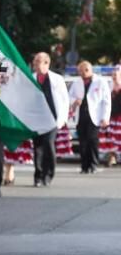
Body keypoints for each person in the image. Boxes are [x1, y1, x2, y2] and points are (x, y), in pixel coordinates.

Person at [31, 52, 70, 186]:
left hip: (52, 119)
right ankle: (38, 176)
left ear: (46, 63)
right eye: (34, 62)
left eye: (38, 62)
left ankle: (48, 174)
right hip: (37, 119)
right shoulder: (31, 78)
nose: (35, 65)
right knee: (37, 148)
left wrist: (63, 118)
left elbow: (65, 99)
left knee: (48, 145)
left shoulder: (57, 79)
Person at [69, 60, 111, 174]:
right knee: (82, 142)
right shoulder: (77, 82)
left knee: (92, 141)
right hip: (81, 115)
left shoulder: (100, 81)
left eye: (86, 70)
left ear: (91, 70)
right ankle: (84, 166)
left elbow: (106, 101)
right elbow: (69, 96)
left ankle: (93, 164)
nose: (83, 73)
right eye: (81, 71)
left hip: (95, 116)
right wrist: (74, 101)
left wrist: (105, 117)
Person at [102, 65, 121, 166]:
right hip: (112, 117)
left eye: (116, 75)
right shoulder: (109, 87)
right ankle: (112, 158)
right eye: (113, 75)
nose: (114, 77)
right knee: (110, 138)